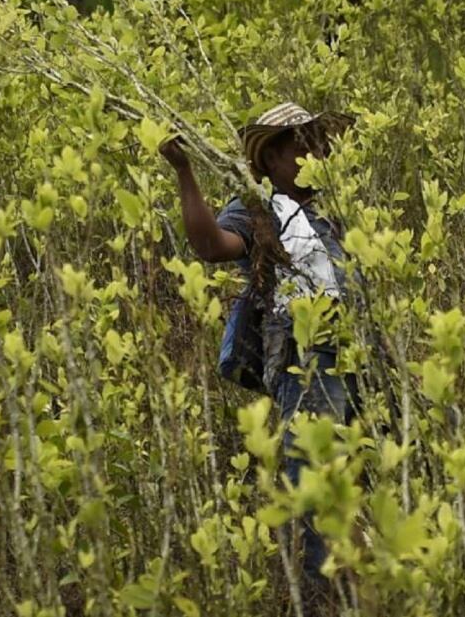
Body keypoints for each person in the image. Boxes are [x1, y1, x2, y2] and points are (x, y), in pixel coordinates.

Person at [160, 102, 357, 614]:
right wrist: (184, 172)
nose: (310, 155)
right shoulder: (257, 209)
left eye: (315, 143)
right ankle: (322, 600)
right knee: (314, 479)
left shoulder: (336, 207)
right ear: (268, 160)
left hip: (361, 359)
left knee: (357, 476)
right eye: (297, 147)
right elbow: (210, 245)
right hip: (306, 357)